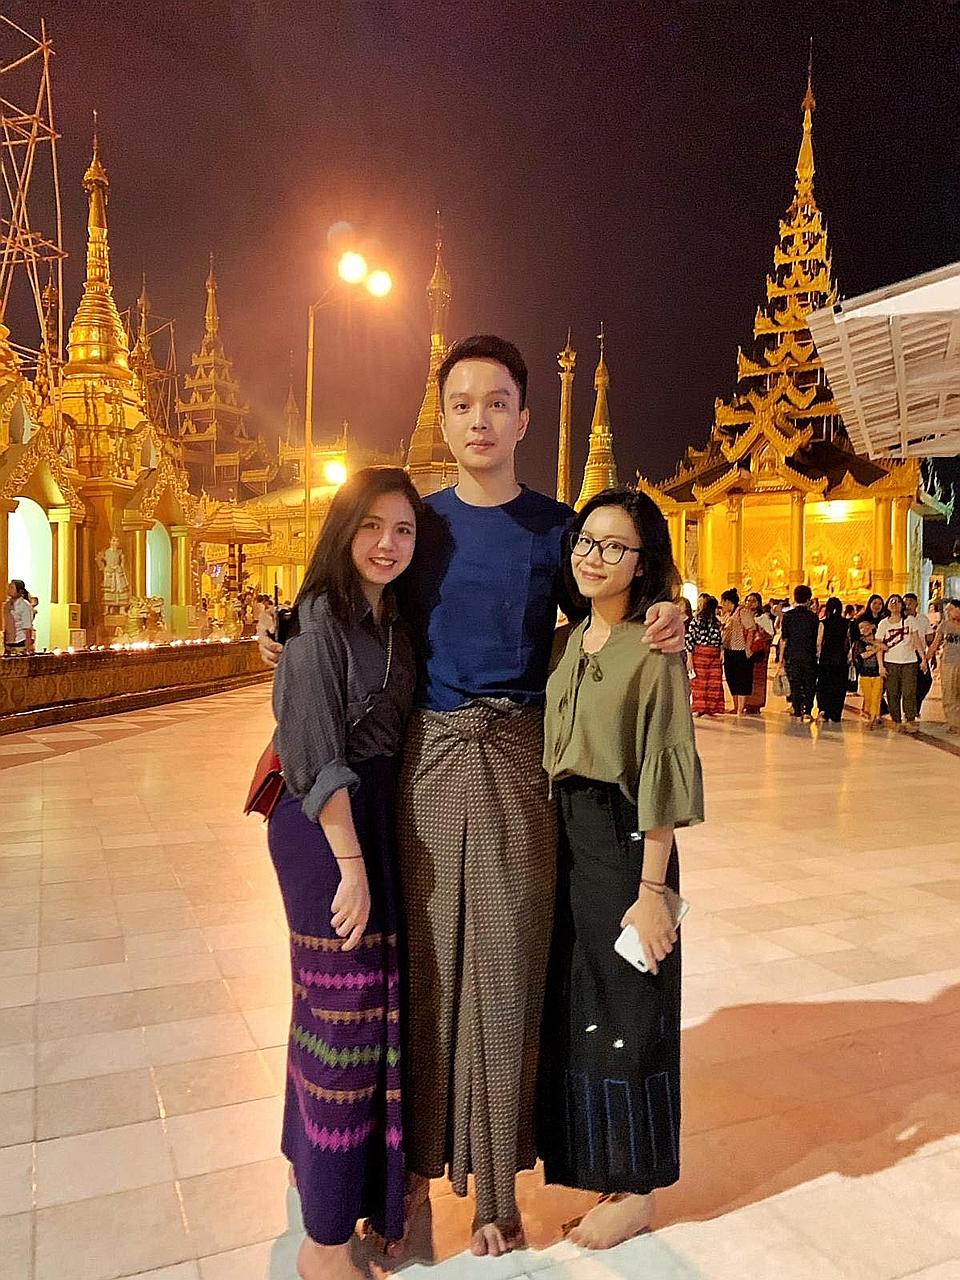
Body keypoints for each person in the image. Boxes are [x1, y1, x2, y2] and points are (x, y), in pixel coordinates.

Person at [258, 335, 687, 1258]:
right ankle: (410, 1180)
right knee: (423, 975)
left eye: (498, 403)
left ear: (524, 418)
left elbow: (611, 594)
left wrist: (670, 607)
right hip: (421, 766)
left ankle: (495, 1189)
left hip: (520, 767)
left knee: (507, 969)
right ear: (444, 417)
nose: (480, 419)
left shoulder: (558, 527)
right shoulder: (418, 524)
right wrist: (286, 624)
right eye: (462, 404)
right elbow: (352, 603)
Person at [538, 487, 703, 1249]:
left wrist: (652, 892)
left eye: (613, 547)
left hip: (627, 840)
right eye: (586, 541)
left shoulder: (656, 645)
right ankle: (608, 1172)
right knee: (588, 1010)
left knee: (634, 1009)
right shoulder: (572, 640)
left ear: (644, 564)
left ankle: (638, 1190)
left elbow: (666, 765)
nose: (593, 557)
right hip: (568, 838)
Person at [267, 466, 421, 1280]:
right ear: (342, 530)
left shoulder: (393, 618)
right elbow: (315, 753)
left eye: (402, 530)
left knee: (370, 1013)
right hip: (326, 830)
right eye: (371, 527)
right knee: (346, 1020)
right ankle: (323, 1243)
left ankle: (353, 1190)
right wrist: (351, 866)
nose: (386, 544)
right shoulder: (320, 618)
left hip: (374, 823)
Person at [876, 593, 927, 734]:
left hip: (909, 661)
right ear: (887, 606)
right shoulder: (883, 624)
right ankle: (896, 720)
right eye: (891, 602)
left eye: (897, 602)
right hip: (890, 662)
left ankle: (910, 718)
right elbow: (879, 646)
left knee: (909, 691)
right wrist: (880, 665)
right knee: (892, 693)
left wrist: (923, 658)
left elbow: (916, 640)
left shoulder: (910, 620)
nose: (894, 604)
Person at [778, 584, 818, 722]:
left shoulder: (788, 616)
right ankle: (808, 710)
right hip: (809, 654)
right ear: (808, 600)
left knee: (795, 683)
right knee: (809, 683)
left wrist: (781, 659)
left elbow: (784, 639)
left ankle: (796, 709)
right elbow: (816, 638)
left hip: (792, 655)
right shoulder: (813, 617)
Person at [686, 593, 725, 716]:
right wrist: (689, 658)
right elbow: (691, 640)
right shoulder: (699, 621)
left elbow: (691, 640)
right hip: (705, 653)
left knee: (710, 681)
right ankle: (702, 707)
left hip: (709, 653)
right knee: (703, 681)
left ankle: (707, 707)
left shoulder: (713, 622)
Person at [719, 588, 755, 716]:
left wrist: (748, 647)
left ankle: (741, 708)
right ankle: (735, 706)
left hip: (741, 650)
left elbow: (751, 629)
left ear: (728, 602)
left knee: (742, 678)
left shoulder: (742, 612)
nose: (722, 605)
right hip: (729, 649)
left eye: (723, 602)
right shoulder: (728, 615)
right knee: (731, 677)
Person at [926, 599, 960, 734]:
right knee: (949, 693)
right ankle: (953, 723)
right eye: (947, 610)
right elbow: (935, 643)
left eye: (951, 609)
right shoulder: (944, 625)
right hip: (948, 663)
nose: (948, 612)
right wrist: (926, 658)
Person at [816, 596, 851, 722]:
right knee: (839, 686)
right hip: (841, 659)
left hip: (827, 658)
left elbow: (819, 642)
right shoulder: (847, 623)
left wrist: (818, 656)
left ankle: (823, 710)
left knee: (824, 685)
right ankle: (836, 712)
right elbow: (849, 642)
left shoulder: (823, 623)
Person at [904, 593, 936, 715]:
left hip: (920, 654)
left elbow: (929, 639)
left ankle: (916, 705)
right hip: (905, 654)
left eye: (910, 602)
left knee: (926, 681)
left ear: (916, 604)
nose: (908, 605)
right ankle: (910, 710)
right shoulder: (901, 618)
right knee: (909, 684)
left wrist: (931, 656)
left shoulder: (923, 619)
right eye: (905, 602)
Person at [743, 591, 774, 714]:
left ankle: (755, 703)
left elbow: (770, 633)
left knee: (758, 678)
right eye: (748, 600)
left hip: (759, 652)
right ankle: (744, 701)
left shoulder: (763, 617)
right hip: (745, 650)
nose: (750, 603)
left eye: (753, 601)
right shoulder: (743, 616)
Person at [853, 619, 884, 729]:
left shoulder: (878, 640)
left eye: (866, 626)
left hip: (877, 674)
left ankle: (873, 718)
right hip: (865, 674)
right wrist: (875, 650)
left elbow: (885, 648)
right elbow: (861, 656)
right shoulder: (859, 643)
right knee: (868, 697)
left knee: (876, 697)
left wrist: (876, 645)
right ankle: (871, 714)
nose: (864, 629)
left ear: (872, 626)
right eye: (861, 627)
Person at [4, 580, 34, 655]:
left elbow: (27, 628)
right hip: (8, 643)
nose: (9, 590)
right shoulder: (7, 604)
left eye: (12, 588)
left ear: (20, 591)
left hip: (20, 642)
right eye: (9, 587)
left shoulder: (25, 605)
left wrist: (28, 647)